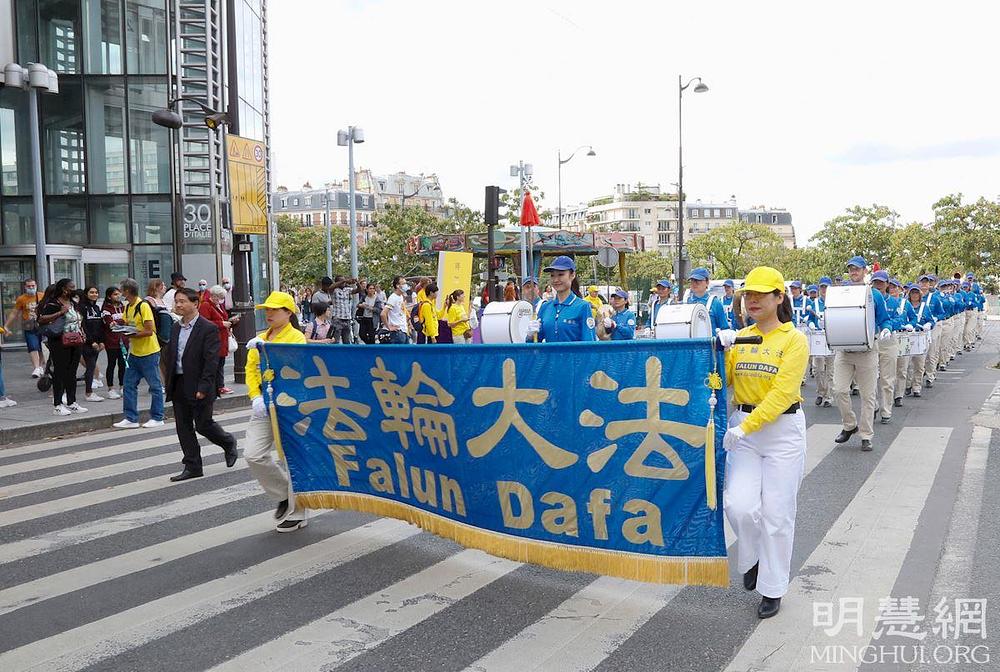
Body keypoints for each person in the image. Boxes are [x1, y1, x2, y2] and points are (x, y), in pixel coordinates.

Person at [719, 266, 808, 620]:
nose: (752, 300)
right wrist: (716, 352)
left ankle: (772, 588)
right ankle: (753, 557)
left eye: (760, 294)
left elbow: (783, 393)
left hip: (781, 431)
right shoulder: (741, 338)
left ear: (779, 297)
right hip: (744, 429)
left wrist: (746, 427)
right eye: (748, 295)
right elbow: (719, 381)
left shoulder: (793, 340)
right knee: (738, 505)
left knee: (777, 514)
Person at [244, 291, 308, 532]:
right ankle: (283, 495)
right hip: (263, 406)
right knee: (253, 454)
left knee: (291, 458)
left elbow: (294, 366)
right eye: (267, 310)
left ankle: (298, 512)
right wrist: (255, 396)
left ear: (288, 313)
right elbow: (251, 369)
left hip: (289, 406)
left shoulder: (296, 337)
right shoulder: (260, 338)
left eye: (274, 309)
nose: (269, 314)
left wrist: (267, 349)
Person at [164, 288, 238, 482]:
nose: (178, 305)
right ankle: (193, 465)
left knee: (204, 424)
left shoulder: (208, 328)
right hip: (179, 382)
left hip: (199, 384)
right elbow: (172, 355)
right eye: (176, 301)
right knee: (183, 426)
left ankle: (228, 442)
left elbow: (211, 360)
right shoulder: (176, 327)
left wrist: (204, 387)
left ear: (195, 303)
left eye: (182, 301)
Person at [832, 257, 893, 451]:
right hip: (844, 349)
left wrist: (886, 329)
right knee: (839, 390)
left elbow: (885, 319)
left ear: (865, 271)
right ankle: (850, 425)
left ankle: (866, 435)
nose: (853, 272)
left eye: (857, 269)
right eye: (851, 269)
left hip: (867, 350)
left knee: (868, 395)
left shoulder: (874, 294)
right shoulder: (841, 293)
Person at [113, 278, 165, 429]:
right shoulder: (128, 307)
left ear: (127, 291)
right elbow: (126, 323)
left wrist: (132, 334)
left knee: (155, 386)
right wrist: (118, 326)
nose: (120, 293)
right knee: (129, 385)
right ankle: (131, 418)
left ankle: (157, 417)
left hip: (149, 352)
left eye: (122, 290)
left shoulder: (143, 306)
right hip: (135, 352)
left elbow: (149, 331)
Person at [37, 278, 87, 416]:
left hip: (75, 341)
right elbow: (41, 319)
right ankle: (57, 405)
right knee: (59, 373)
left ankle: (72, 402)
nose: (74, 289)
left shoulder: (73, 303)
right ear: (64, 289)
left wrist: (82, 332)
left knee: (72, 372)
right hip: (59, 342)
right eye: (71, 287)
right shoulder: (53, 303)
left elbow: (78, 319)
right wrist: (60, 312)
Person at [526, 256, 596, 342]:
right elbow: (535, 344)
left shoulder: (583, 306)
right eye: (552, 275)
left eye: (561, 274)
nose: (556, 280)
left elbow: (589, 343)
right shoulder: (545, 307)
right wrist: (530, 336)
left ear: (572, 275)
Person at [3, 279, 45, 378]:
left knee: (41, 347)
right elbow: (14, 312)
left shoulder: (42, 296)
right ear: (25, 287)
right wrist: (6, 325)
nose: (31, 288)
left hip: (42, 325)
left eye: (33, 285)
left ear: (36, 285)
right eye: (29, 286)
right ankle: (36, 367)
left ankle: (40, 366)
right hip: (29, 326)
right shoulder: (21, 299)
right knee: (32, 346)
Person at [199, 285, 236, 395]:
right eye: (220, 297)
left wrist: (230, 321)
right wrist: (221, 324)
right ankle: (217, 386)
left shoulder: (218, 305)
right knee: (215, 364)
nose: (221, 299)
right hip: (214, 340)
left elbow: (223, 318)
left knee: (220, 363)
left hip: (221, 338)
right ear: (214, 296)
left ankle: (219, 385)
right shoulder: (206, 305)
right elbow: (204, 322)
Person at [902, 283, 934, 399]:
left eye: (916, 292)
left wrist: (928, 324)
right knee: (907, 364)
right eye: (912, 293)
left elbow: (931, 321)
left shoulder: (924, 307)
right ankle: (907, 385)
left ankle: (917, 387)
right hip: (908, 335)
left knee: (919, 364)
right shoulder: (905, 305)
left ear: (920, 294)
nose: (914, 295)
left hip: (920, 336)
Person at [808, 277, 834, 407]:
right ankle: (820, 392)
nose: (824, 289)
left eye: (826, 287)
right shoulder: (815, 303)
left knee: (830, 370)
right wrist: (811, 324)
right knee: (818, 369)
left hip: (831, 337)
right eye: (822, 287)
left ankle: (829, 397)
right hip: (818, 337)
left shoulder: (834, 302)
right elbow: (810, 318)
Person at [79, 286, 106, 403]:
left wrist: (101, 341)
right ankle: (88, 393)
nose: (94, 294)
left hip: (97, 342)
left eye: (96, 292)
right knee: (90, 366)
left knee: (92, 366)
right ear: (86, 294)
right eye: (91, 292)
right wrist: (91, 341)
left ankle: (89, 391)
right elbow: (83, 326)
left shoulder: (96, 307)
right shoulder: (82, 307)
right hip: (87, 343)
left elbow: (100, 326)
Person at [101, 286, 127, 400]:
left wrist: (119, 322)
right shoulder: (106, 309)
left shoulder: (123, 307)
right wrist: (121, 322)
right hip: (111, 341)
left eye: (119, 294)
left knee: (123, 364)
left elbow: (128, 320)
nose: (118, 296)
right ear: (109, 296)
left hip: (124, 341)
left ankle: (122, 386)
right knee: (111, 364)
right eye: (115, 294)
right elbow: (110, 324)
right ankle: (110, 388)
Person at [686, 268, 730, 335]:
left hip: (709, 341)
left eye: (698, 281)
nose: (694, 283)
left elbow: (725, 329)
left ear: (707, 282)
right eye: (692, 281)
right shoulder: (686, 302)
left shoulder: (715, 303)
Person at [381, 276, 411, 344]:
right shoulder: (393, 298)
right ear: (397, 285)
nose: (406, 285)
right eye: (403, 283)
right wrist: (388, 327)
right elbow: (383, 314)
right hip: (397, 332)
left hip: (404, 330)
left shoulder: (401, 296)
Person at [329, 275, 359, 343]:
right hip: (337, 318)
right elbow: (330, 287)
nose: (344, 282)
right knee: (335, 340)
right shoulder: (334, 290)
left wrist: (357, 282)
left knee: (347, 341)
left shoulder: (347, 290)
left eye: (344, 281)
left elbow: (358, 290)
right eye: (341, 281)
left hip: (347, 318)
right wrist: (344, 280)